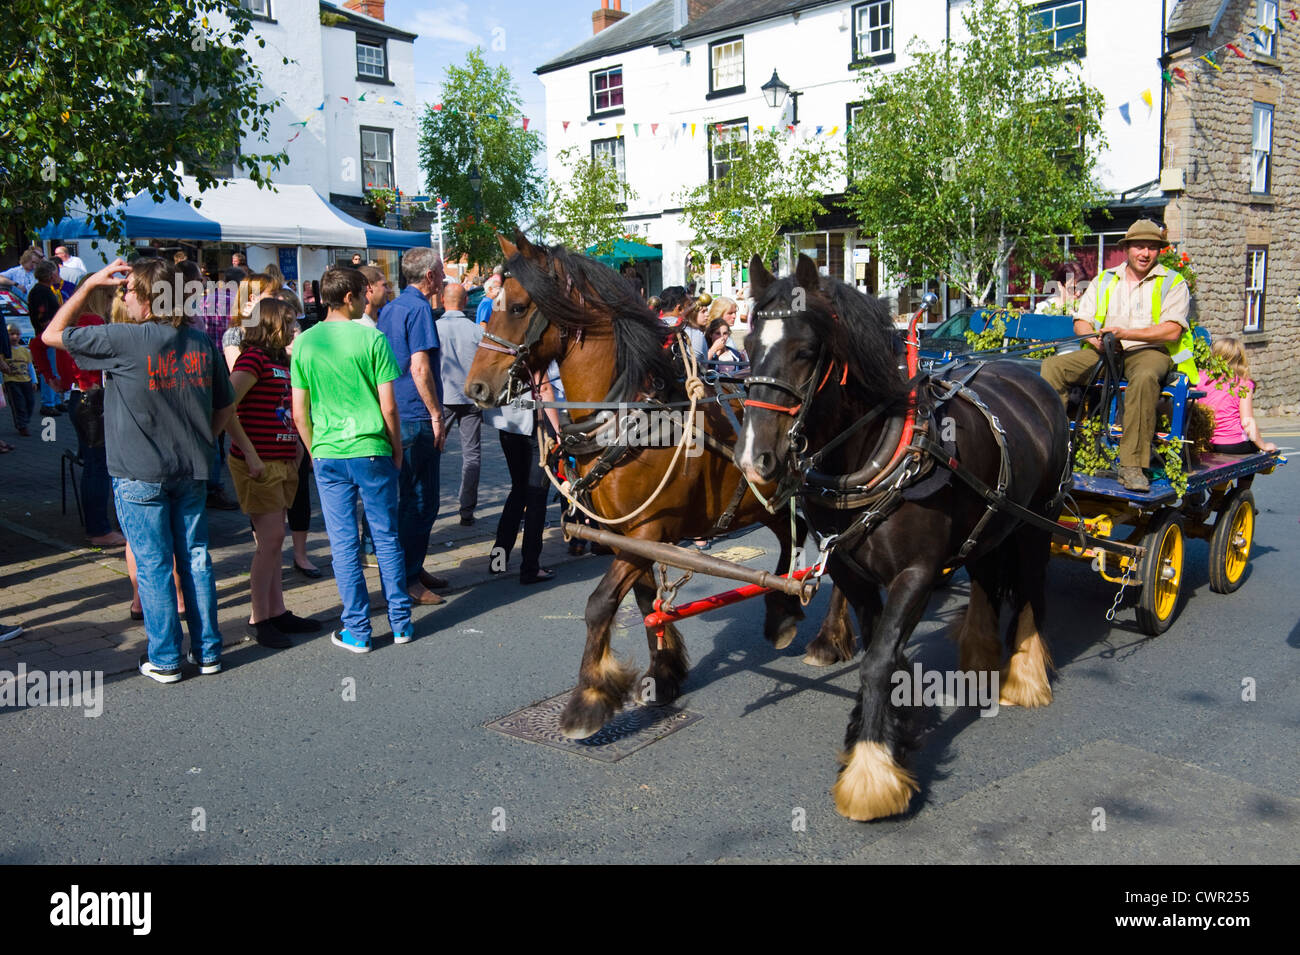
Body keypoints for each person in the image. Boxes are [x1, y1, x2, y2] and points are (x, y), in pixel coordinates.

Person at [43, 258, 234, 682]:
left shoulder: (124, 339)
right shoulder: (201, 342)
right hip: (190, 470)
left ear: (147, 298)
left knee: (153, 564)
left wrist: (88, 282)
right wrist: (203, 440)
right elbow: (224, 406)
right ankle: (207, 653)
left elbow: (51, 334)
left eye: (127, 291)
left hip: (140, 472)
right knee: (196, 560)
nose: (121, 296)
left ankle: (166, 659)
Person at [291, 266, 412, 653]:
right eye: (363, 294)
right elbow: (389, 407)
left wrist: (313, 451)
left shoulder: (305, 343)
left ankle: (358, 630)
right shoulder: (371, 339)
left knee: (343, 545)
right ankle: (401, 623)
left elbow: (299, 412)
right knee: (387, 537)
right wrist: (396, 447)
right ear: (349, 297)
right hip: (372, 447)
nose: (367, 300)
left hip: (328, 451)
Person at [1041, 220, 1196, 492]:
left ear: (1159, 250)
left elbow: (1171, 331)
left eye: (1151, 247)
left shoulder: (1173, 281)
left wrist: (1126, 333)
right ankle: (1051, 448)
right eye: (1139, 246)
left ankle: (1132, 466)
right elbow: (1081, 321)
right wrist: (1094, 340)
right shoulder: (1105, 279)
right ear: (1127, 248)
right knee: (1054, 367)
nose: (1145, 253)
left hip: (1150, 351)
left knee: (1146, 377)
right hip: (1108, 351)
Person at [224, 297, 322, 648]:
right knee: (270, 540)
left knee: (274, 540)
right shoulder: (252, 358)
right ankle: (258, 617)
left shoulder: (281, 360)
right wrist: (250, 454)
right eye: (289, 322)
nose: (295, 328)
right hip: (260, 462)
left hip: (282, 459)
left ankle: (277, 610)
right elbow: (226, 406)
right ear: (271, 324)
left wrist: (296, 445)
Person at [377, 247, 449, 606]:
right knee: (423, 501)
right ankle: (407, 576)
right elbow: (420, 368)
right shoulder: (420, 308)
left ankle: (411, 569)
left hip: (394, 411)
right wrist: (436, 414)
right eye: (441, 271)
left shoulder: (389, 307)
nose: (445, 277)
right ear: (430, 276)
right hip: (416, 415)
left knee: (406, 498)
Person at [487, 366, 558, 584]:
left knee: (518, 491)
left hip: (508, 426)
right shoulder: (531, 347)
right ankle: (530, 567)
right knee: (536, 497)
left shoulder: (501, 346)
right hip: (534, 428)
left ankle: (498, 559)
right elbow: (544, 388)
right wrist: (559, 432)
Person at [435, 282, 483, 526]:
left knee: (433, 453)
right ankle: (466, 509)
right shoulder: (476, 331)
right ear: (465, 302)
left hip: (442, 398)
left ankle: (429, 506)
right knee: (471, 454)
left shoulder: (433, 329)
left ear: (443, 300)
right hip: (471, 397)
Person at [1198, 338, 1278, 455]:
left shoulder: (1200, 378)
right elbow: (1247, 421)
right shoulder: (1243, 383)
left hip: (1206, 443)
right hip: (1233, 443)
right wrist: (1263, 445)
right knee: (1255, 455)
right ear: (1240, 358)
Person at [658, 286, 706, 361]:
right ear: (679, 308)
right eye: (689, 305)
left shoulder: (646, 328)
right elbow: (699, 367)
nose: (693, 310)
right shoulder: (694, 333)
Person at [4, 325, 36, 437]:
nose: (14, 337)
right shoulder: (5, 352)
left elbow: (30, 366)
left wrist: (34, 381)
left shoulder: (25, 351)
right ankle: (22, 425)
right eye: (11, 334)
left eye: (17, 334)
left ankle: (24, 420)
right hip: (11, 380)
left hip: (26, 380)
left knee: (30, 402)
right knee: (18, 403)